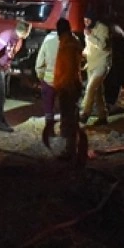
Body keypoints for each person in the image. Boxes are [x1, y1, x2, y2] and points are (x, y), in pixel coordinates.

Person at [0, 20, 32, 132]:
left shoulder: (17, 39)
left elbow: (10, 54)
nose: (29, 34)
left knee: (1, 94)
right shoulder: (6, 36)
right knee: (1, 94)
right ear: (25, 31)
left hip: (1, 68)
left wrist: (5, 67)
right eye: (28, 31)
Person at [51, 19, 88, 166]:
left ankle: (71, 151)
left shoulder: (67, 45)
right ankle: (74, 149)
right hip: (72, 85)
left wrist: (60, 86)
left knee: (69, 120)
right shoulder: (73, 41)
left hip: (68, 87)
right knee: (71, 119)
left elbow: (68, 70)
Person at [79, 13, 111, 126]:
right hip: (91, 64)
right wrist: (83, 54)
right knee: (97, 92)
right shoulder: (87, 30)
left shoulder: (103, 28)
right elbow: (89, 46)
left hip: (102, 64)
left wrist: (90, 36)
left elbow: (103, 45)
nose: (86, 22)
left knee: (90, 87)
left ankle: (85, 113)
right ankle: (103, 117)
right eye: (84, 20)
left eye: (88, 20)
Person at [32, 27, 61, 148]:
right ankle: (66, 132)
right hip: (65, 82)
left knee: (49, 107)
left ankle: (49, 131)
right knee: (65, 108)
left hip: (48, 80)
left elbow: (40, 62)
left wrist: (40, 76)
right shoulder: (73, 40)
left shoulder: (48, 40)